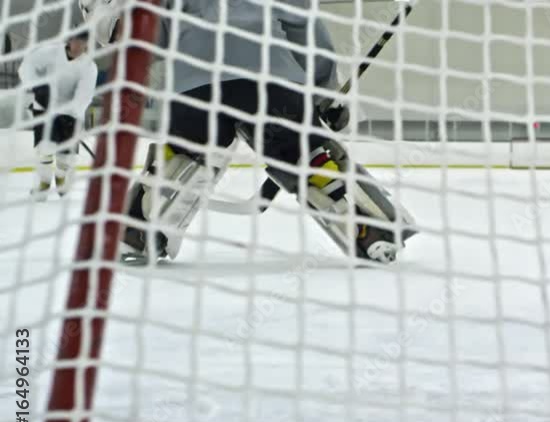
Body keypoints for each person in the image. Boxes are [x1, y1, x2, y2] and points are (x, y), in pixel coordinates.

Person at [79, 0, 414, 263]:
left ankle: (140, 227)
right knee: (304, 153)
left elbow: (152, 33)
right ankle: (368, 226)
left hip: (196, 83)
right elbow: (307, 31)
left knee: (186, 150)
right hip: (271, 78)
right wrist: (324, 94)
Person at [18, 31, 97, 201]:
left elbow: (85, 95)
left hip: (71, 115)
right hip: (43, 109)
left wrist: (70, 114)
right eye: (77, 41)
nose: (79, 46)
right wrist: (37, 87)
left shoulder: (89, 66)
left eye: (83, 43)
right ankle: (44, 183)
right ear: (70, 40)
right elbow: (26, 66)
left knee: (66, 156)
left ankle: (61, 178)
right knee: (45, 148)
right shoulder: (49, 52)